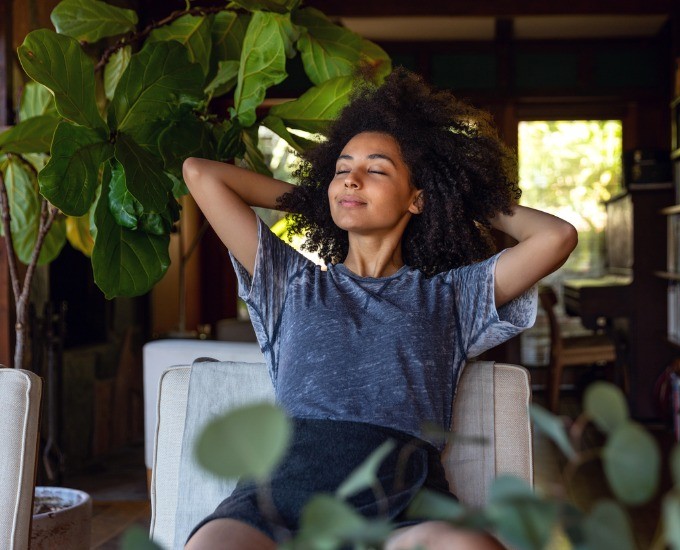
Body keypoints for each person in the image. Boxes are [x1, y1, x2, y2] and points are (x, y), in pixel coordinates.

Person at [182, 68, 577, 550]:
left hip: (402, 502)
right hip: (280, 493)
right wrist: (319, 200)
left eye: (376, 170)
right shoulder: (291, 282)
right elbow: (200, 174)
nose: (351, 179)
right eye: (341, 170)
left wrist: (455, 197)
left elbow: (557, 237)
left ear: (416, 198)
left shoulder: (452, 297)